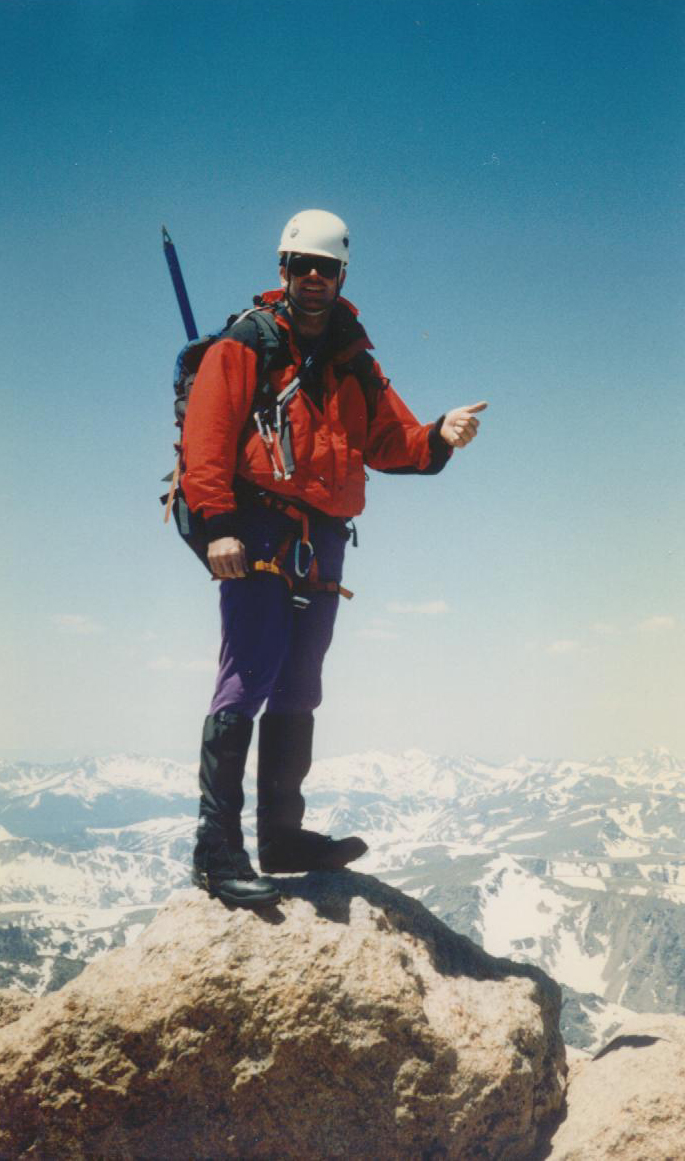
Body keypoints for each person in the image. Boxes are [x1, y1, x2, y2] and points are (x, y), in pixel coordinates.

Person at [181, 209, 486, 907]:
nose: (314, 278)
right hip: (258, 531)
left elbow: (390, 440)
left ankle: (282, 838)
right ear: (283, 270)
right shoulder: (247, 344)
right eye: (302, 266)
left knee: (299, 683)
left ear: (342, 276)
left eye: (326, 268)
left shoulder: (353, 359)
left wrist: (439, 434)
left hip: (320, 539)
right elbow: (207, 437)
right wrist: (219, 526)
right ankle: (215, 851)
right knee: (248, 675)